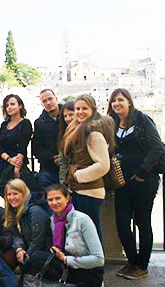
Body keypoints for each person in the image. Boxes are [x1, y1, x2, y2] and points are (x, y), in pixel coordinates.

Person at [108, 88, 164, 280]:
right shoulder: (114, 123)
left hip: (144, 181)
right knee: (122, 223)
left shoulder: (142, 120)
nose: (117, 104)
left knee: (142, 222)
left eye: (120, 100)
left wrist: (142, 172)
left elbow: (156, 146)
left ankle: (142, 264)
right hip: (123, 182)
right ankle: (132, 261)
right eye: (114, 100)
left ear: (129, 102)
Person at [27, 184, 104, 287]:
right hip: (67, 266)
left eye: (58, 198)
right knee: (36, 257)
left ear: (67, 198)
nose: (54, 203)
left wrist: (66, 259)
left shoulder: (82, 220)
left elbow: (99, 259)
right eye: (50, 200)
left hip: (87, 270)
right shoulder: (52, 221)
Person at [60, 94, 114, 240]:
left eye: (85, 108)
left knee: (91, 232)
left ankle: (96, 261)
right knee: (86, 231)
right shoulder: (79, 129)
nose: (80, 112)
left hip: (89, 190)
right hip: (81, 189)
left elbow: (103, 165)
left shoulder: (93, 133)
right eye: (77, 108)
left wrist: (77, 175)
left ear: (92, 110)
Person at [4, 179, 51, 274]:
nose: (12, 198)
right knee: (6, 258)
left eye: (15, 194)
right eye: (9, 194)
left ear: (23, 193)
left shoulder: (35, 211)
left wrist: (24, 261)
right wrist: (19, 249)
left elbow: (38, 241)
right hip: (26, 248)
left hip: (43, 252)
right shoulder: (13, 211)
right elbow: (16, 235)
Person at [0, 94, 33, 196]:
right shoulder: (4, 125)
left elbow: (23, 146)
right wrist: (8, 159)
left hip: (17, 164)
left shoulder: (25, 123)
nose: (9, 107)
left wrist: (16, 166)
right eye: (7, 105)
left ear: (20, 106)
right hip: (4, 163)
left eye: (12, 104)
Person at [32, 89, 62, 189]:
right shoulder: (39, 123)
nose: (48, 103)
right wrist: (53, 158)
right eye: (44, 101)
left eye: (50, 99)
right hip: (49, 168)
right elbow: (36, 149)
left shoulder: (69, 116)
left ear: (56, 98)